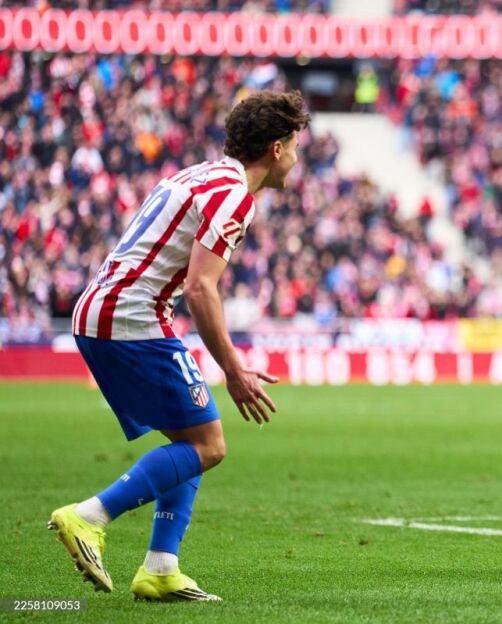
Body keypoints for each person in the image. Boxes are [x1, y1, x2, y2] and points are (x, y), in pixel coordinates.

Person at [48, 90, 310, 601]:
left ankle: (161, 569)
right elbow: (200, 288)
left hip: (108, 309)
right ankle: (88, 517)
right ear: (276, 148)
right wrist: (234, 369)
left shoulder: (200, 175)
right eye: (296, 148)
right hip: (130, 316)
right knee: (209, 446)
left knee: (195, 438)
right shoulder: (235, 195)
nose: (297, 160)